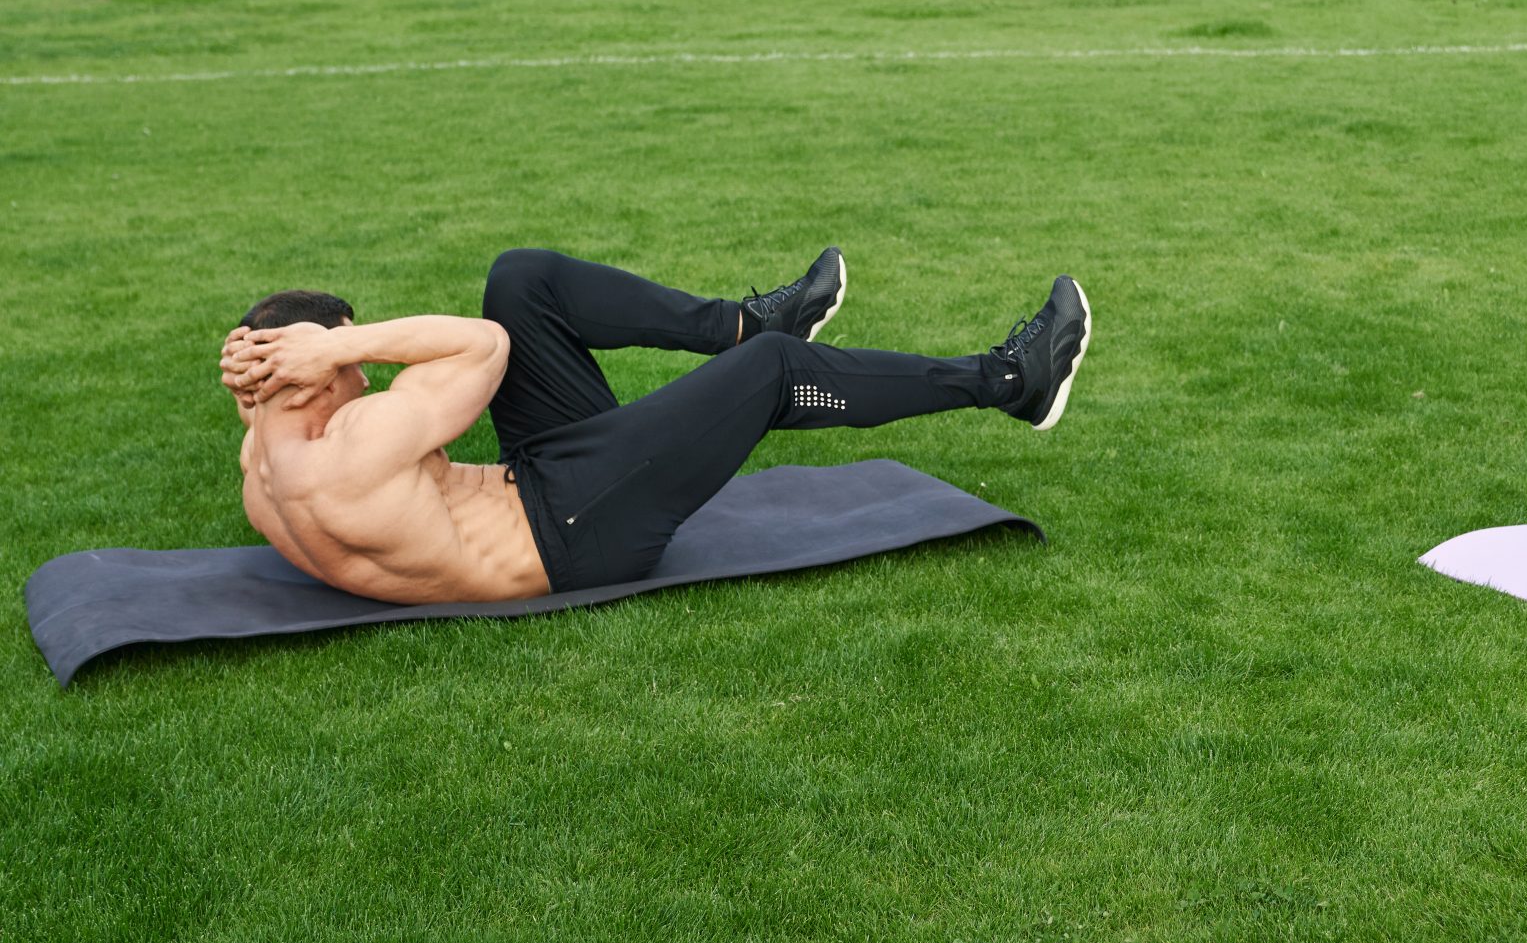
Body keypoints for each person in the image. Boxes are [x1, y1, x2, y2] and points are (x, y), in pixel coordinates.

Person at [218, 247, 1089, 603]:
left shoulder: (268, 456)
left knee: (522, 279)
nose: (367, 372)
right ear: (319, 368)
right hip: (577, 530)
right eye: (353, 362)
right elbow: (481, 349)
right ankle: (1012, 381)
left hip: (543, 480)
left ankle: (748, 321)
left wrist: (267, 359)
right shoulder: (356, 448)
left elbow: (277, 402)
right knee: (771, 381)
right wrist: (349, 339)